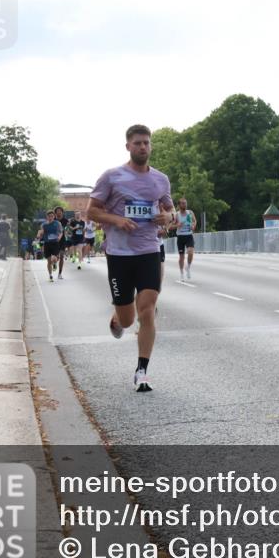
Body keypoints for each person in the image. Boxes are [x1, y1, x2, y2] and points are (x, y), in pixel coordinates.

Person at [87, 124, 173, 393]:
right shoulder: (112, 177)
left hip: (149, 251)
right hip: (120, 255)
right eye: (137, 143)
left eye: (147, 143)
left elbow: (171, 212)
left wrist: (167, 218)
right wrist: (117, 220)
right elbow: (92, 211)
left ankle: (142, 371)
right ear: (128, 146)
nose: (143, 147)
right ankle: (116, 319)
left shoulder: (160, 179)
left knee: (147, 310)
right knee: (127, 318)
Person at [168, 198, 197, 280]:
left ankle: (188, 267)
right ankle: (181, 273)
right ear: (179, 205)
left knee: (190, 252)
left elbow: (194, 221)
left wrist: (193, 226)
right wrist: (177, 225)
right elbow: (169, 227)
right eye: (183, 203)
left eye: (185, 203)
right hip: (180, 237)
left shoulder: (190, 213)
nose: (185, 205)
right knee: (182, 257)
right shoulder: (177, 215)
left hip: (189, 235)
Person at [36, 210, 63, 282]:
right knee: (48, 261)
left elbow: (61, 232)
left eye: (52, 216)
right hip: (47, 243)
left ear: (54, 217)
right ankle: (50, 276)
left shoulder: (57, 223)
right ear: (47, 217)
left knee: (54, 258)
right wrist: (39, 235)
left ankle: (54, 263)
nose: (50, 217)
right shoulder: (44, 225)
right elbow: (41, 231)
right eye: (49, 216)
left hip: (55, 243)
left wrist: (59, 237)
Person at [53, 206, 68, 279]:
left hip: (63, 240)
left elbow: (69, 230)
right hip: (55, 240)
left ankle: (60, 273)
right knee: (55, 257)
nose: (59, 212)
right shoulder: (53, 220)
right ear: (55, 213)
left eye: (60, 211)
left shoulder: (66, 221)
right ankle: (55, 263)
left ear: (62, 212)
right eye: (57, 211)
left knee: (61, 256)